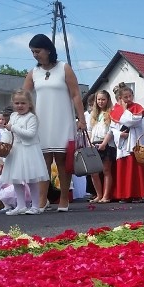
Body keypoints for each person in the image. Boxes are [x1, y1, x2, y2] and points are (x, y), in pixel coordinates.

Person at [23, 34, 86, 212]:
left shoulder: (64, 68)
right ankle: (42, 200)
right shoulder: (33, 72)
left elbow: (75, 94)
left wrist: (81, 119)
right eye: (32, 52)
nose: (35, 55)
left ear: (48, 50)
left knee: (62, 161)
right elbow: (23, 96)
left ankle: (64, 198)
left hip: (63, 119)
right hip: (41, 121)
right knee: (43, 162)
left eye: (37, 51)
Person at [1, 89, 50, 216]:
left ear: (29, 104)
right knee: (15, 179)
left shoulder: (32, 117)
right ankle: (21, 205)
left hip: (28, 150)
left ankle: (35, 205)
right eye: (17, 103)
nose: (20, 106)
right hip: (15, 150)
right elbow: (8, 132)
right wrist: (4, 142)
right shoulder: (13, 116)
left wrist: (13, 128)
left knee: (31, 179)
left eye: (23, 103)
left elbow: (30, 134)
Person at [110, 83, 144, 202]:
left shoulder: (137, 107)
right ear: (120, 98)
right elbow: (113, 127)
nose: (128, 99)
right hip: (123, 143)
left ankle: (137, 193)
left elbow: (131, 121)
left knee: (135, 170)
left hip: (134, 142)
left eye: (130, 96)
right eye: (125, 97)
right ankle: (125, 194)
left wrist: (124, 110)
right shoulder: (115, 110)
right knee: (124, 170)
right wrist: (119, 134)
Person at [83, 92, 109, 202]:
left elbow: (111, 130)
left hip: (105, 143)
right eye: (99, 99)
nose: (100, 102)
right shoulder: (93, 114)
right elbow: (89, 130)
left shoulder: (109, 113)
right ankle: (98, 194)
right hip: (93, 143)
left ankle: (106, 196)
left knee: (106, 171)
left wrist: (104, 143)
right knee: (94, 172)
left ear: (107, 100)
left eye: (103, 99)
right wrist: (89, 142)